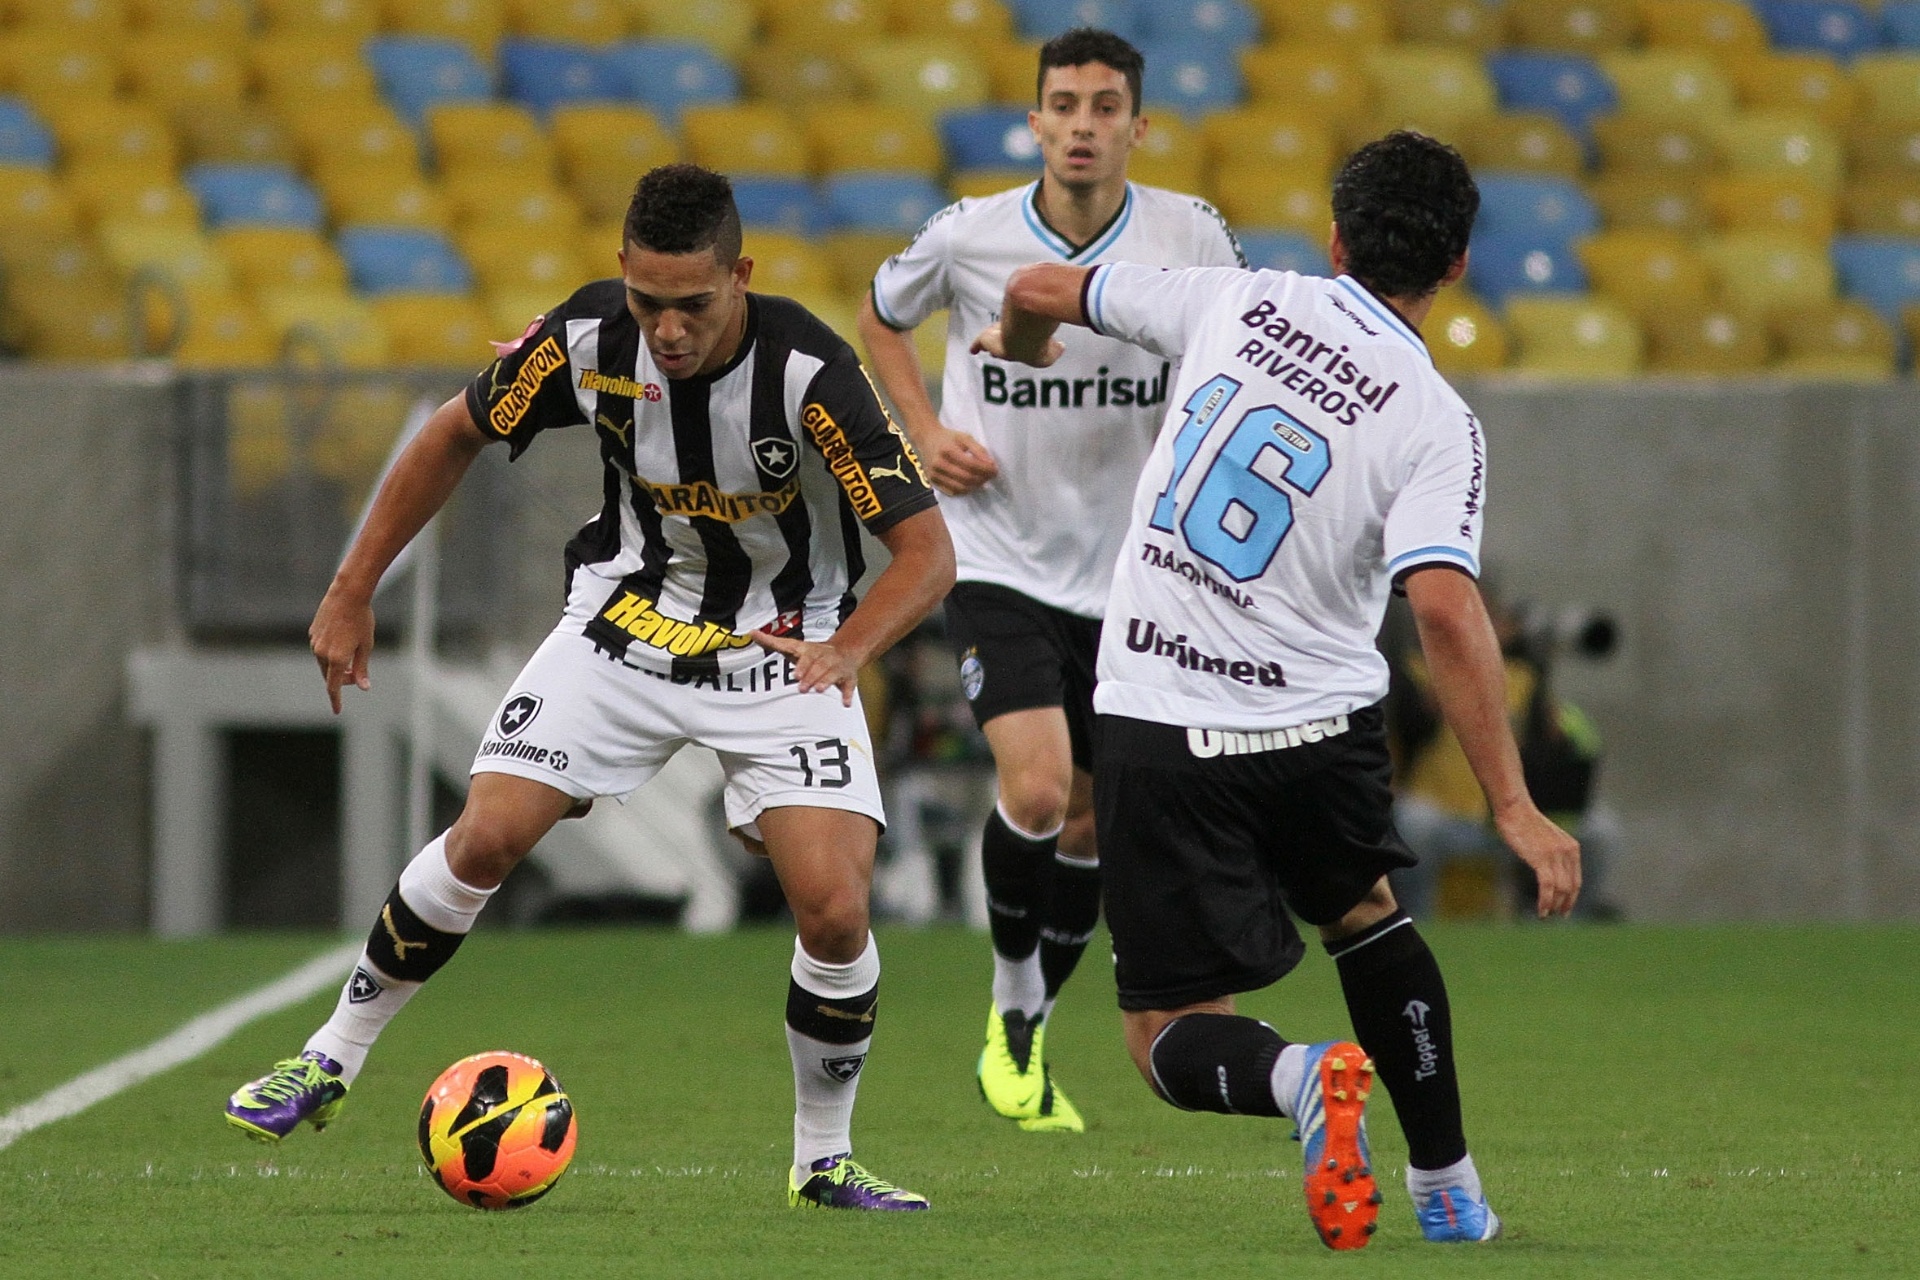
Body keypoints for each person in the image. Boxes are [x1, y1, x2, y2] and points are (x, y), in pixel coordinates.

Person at [224, 164, 955, 1213]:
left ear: (739, 275)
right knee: (486, 835)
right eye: (647, 300)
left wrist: (848, 650)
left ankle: (822, 1159)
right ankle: (327, 1060)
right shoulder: (587, 337)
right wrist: (351, 589)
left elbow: (927, 555)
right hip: (625, 623)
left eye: (693, 305)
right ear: (622, 273)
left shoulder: (812, 373)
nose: (666, 328)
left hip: (786, 648)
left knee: (836, 910)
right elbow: (452, 433)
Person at [970, 132, 1581, 1248]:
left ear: (1337, 238)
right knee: (1366, 918)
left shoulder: (1238, 298)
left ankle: (1301, 1079)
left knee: (1163, 1032)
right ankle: (1448, 1187)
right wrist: (1512, 802)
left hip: (1159, 716)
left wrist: (1018, 345)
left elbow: (1034, 285)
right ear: (1455, 268)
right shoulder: (1440, 421)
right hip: (1319, 726)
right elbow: (1443, 608)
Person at [858, 27, 1245, 1134]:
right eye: (1063, 104)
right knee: (1036, 787)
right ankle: (1015, 989)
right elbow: (881, 318)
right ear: (1033, 122)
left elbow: (1238, 348)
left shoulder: (1191, 236)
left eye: (1104, 105)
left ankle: (1019, 1021)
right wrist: (924, 428)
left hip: (1133, 573)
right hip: (998, 555)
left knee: (1089, 821)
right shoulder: (968, 235)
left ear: (1138, 124)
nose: (1082, 123)